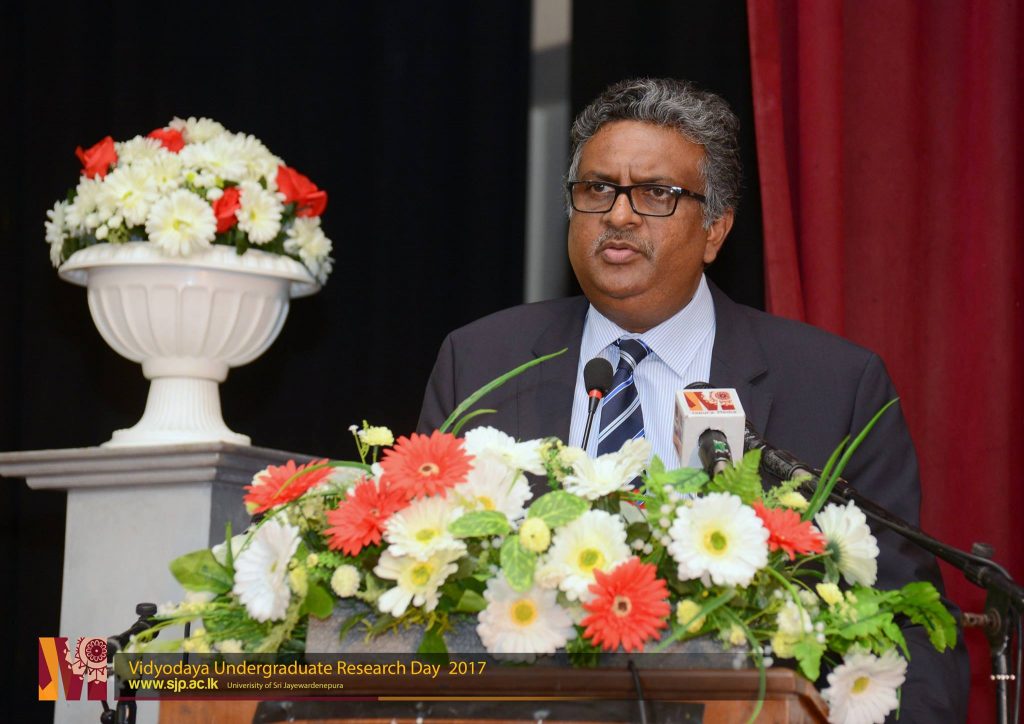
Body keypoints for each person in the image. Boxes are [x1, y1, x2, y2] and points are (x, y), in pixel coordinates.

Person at [418, 78, 968, 721]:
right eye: (597, 188)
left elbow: (910, 628)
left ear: (715, 231)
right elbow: (422, 582)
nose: (619, 215)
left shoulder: (834, 387)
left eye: (657, 193)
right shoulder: (482, 361)